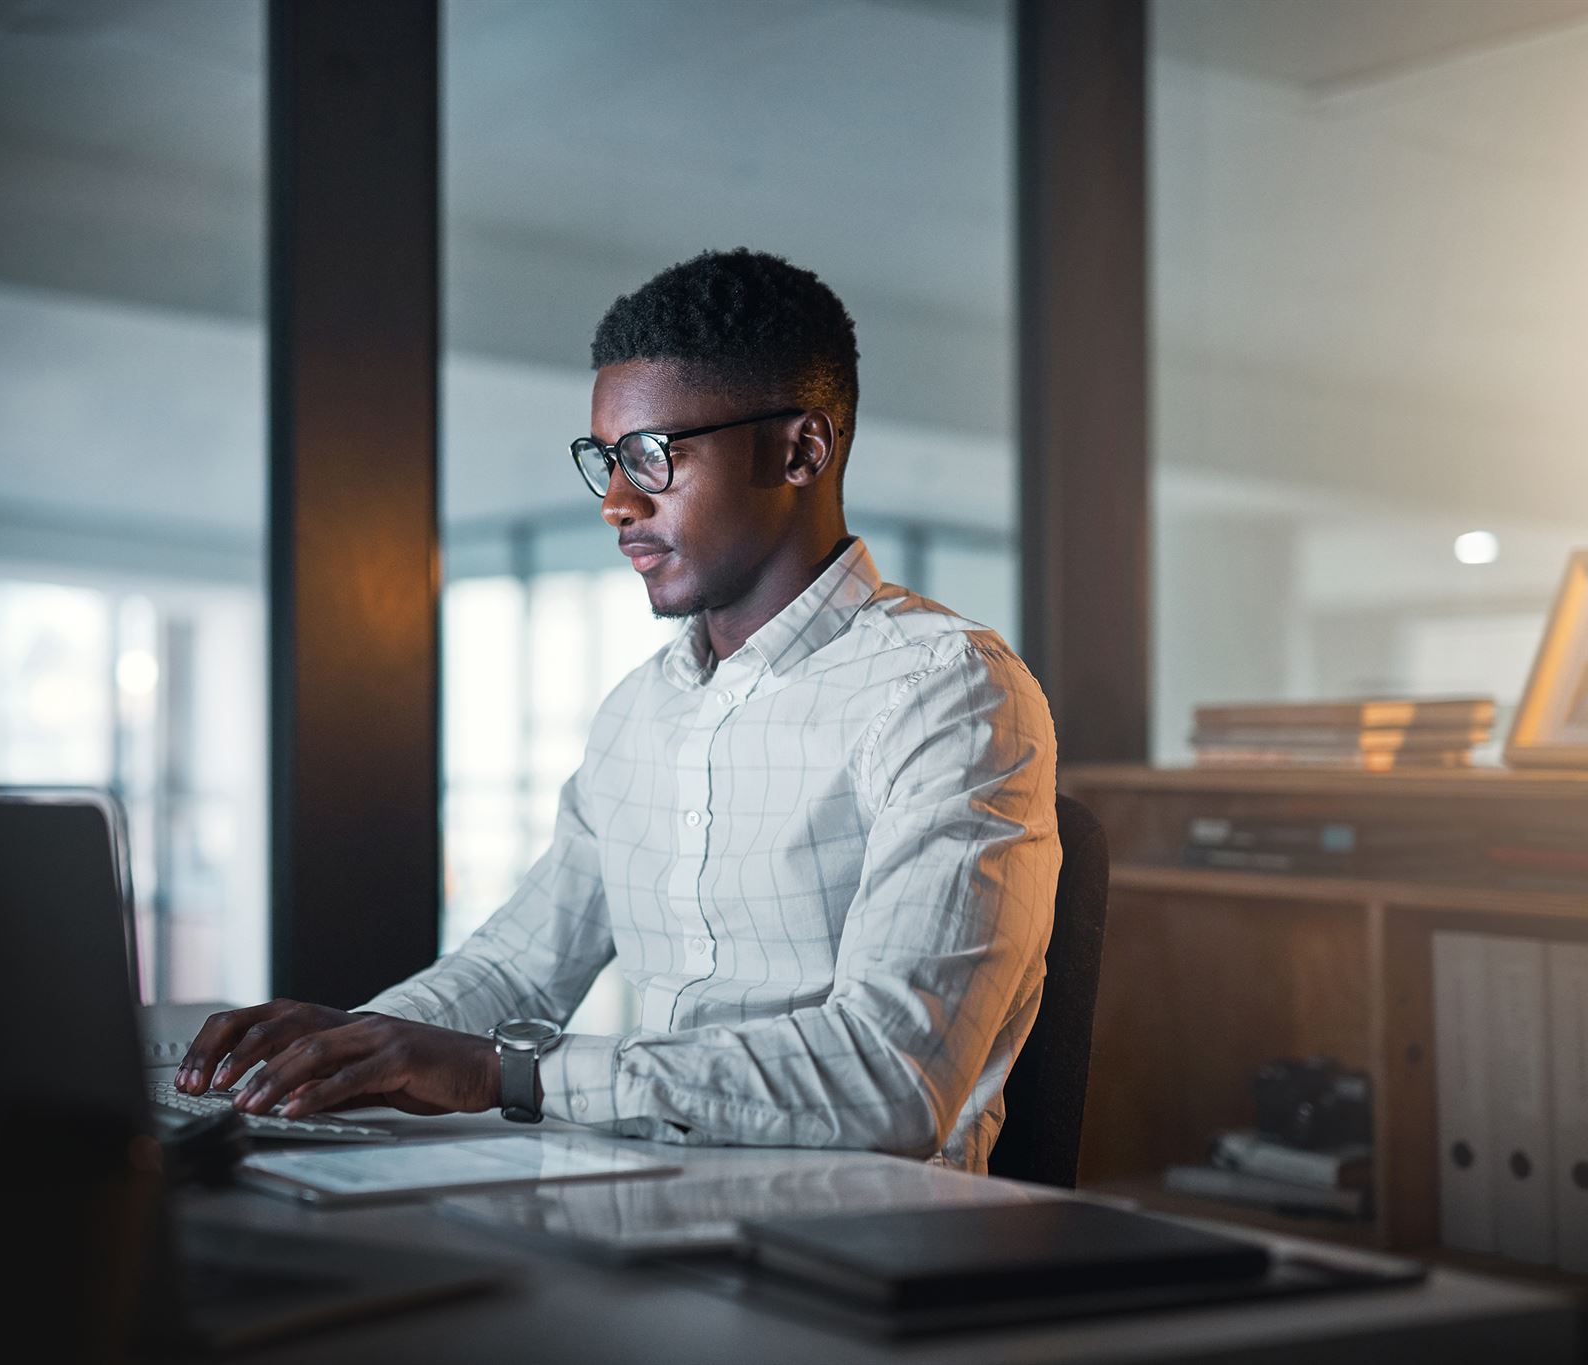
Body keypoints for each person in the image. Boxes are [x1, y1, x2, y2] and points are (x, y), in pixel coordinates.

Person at [176, 248, 1059, 1172]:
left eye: (652, 456)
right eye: (607, 459)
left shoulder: (950, 692)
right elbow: (518, 966)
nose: (617, 502)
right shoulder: (641, 710)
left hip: (859, 1245)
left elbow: (892, 1076)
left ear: (801, 449)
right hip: (646, 1193)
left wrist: (510, 1074)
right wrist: (340, 1050)